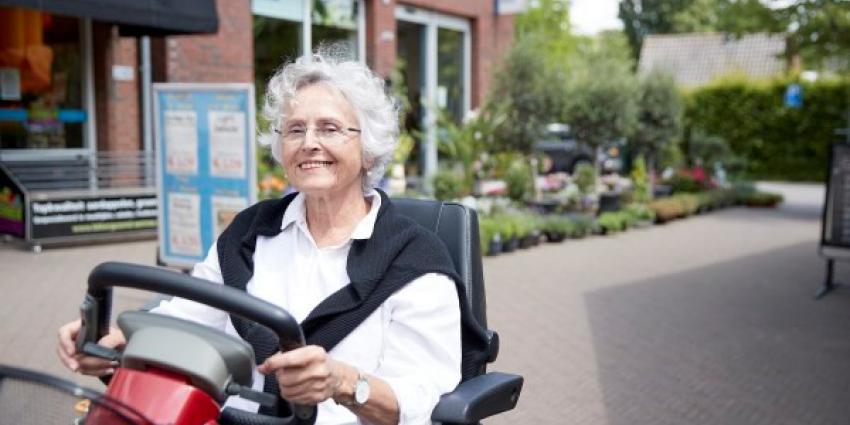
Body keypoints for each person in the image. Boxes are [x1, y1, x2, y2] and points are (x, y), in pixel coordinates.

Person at [57, 50, 487, 425]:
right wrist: (116, 342)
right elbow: (187, 318)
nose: (309, 144)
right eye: (295, 130)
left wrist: (343, 381)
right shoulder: (249, 232)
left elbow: (417, 401)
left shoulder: (415, 261)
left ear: (368, 148)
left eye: (330, 129)